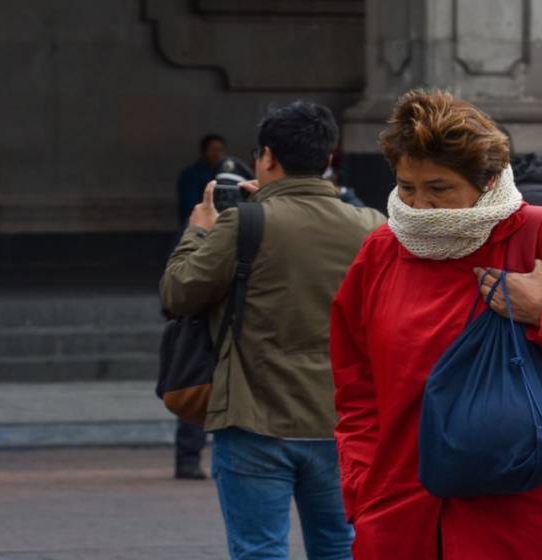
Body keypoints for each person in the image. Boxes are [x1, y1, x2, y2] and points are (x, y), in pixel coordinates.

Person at [330, 90, 542, 559]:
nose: (419, 206)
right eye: (407, 186)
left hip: (523, 515)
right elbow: (355, 382)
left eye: (439, 188)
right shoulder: (382, 250)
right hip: (401, 515)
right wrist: (363, 486)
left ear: (486, 181)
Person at [160, 101, 385, 559]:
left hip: (253, 418)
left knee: (259, 550)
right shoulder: (372, 226)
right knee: (339, 547)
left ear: (267, 157)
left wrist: (198, 232)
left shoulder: (244, 222)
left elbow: (178, 294)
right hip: (341, 421)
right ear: (329, 157)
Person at [172, 133, 227, 480]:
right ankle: (188, 458)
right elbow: (178, 287)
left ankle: (194, 457)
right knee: (196, 391)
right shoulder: (201, 226)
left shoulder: (245, 228)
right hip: (205, 326)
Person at [177, 134, 227, 227]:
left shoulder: (226, 175)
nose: (217, 154)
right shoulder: (191, 174)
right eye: (213, 150)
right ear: (203, 151)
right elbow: (190, 207)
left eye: (220, 150)